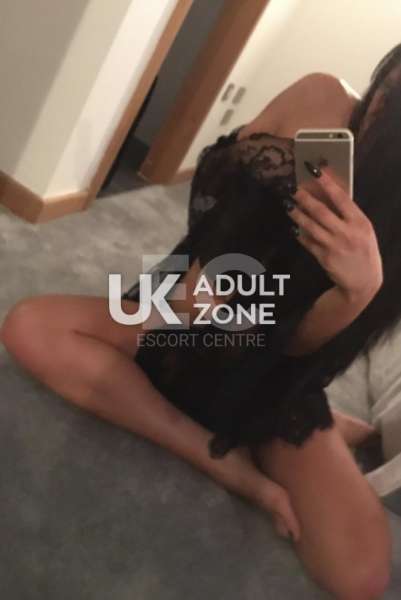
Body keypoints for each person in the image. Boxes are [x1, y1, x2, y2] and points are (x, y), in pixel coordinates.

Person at [3, 43, 401, 598]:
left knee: (361, 573)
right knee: (28, 326)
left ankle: (313, 426)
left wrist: (356, 293)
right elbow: (207, 199)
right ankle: (226, 464)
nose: (378, 105)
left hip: (268, 372)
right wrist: (245, 201)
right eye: (389, 83)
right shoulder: (322, 96)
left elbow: (303, 350)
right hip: (180, 309)